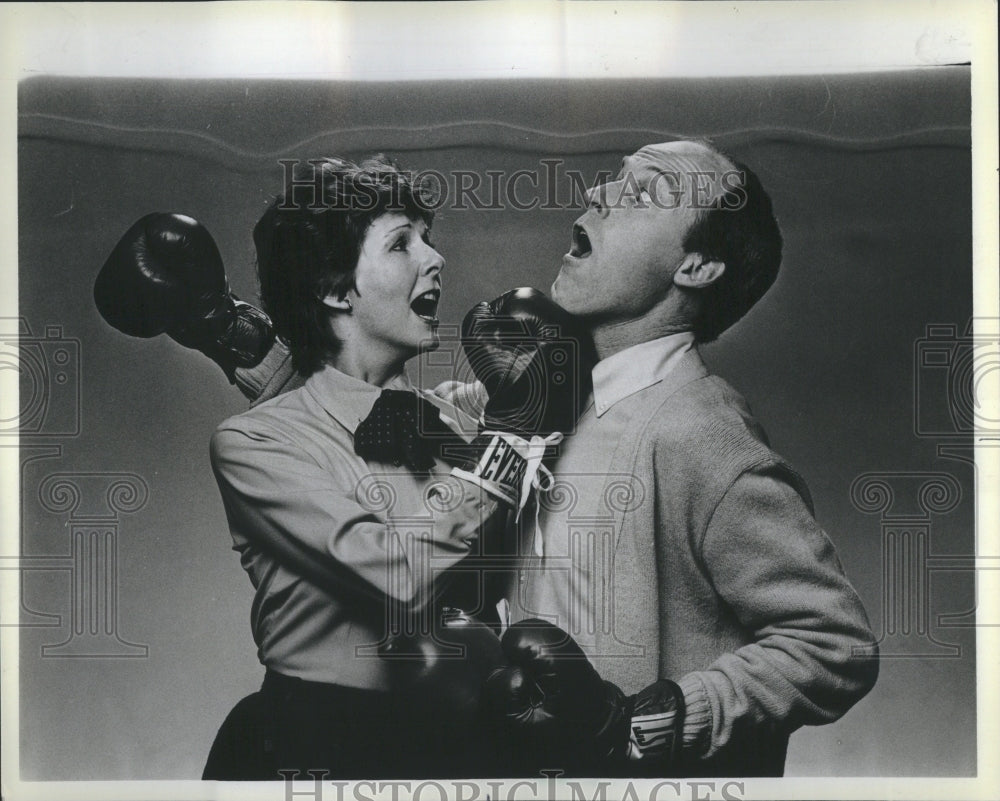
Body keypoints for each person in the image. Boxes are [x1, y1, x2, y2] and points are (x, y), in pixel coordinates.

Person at [94, 154, 594, 780]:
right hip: (320, 746)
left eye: (428, 239)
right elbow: (398, 574)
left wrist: (524, 416)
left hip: (461, 739)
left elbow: (358, 403)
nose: (435, 258)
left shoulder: (454, 423)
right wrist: (509, 439)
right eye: (401, 243)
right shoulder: (253, 444)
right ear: (335, 290)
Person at [484, 140, 880, 777]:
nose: (597, 194)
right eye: (613, 180)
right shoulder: (564, 398)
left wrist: (658, 720)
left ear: (696, 266)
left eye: (643, 193)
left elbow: (835, 644)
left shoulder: (701, 434)